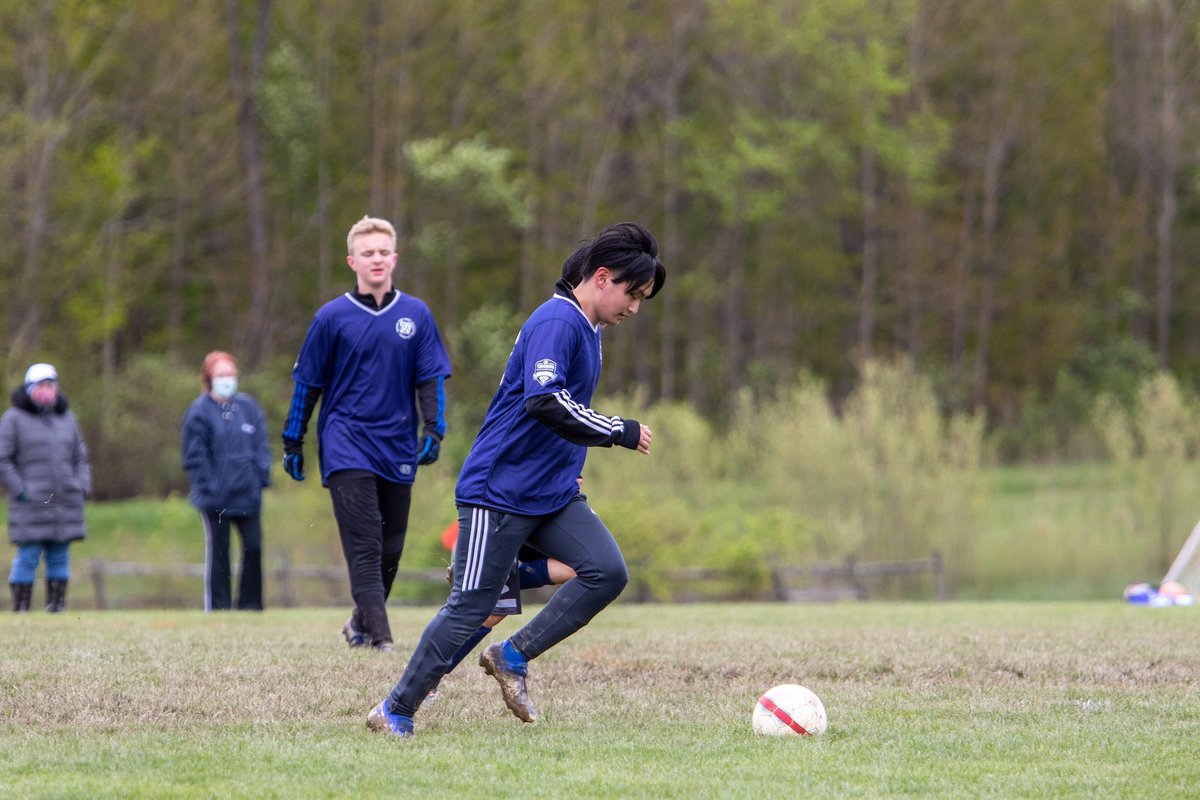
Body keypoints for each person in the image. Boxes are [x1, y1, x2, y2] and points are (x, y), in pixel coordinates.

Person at [367, 221, 666, 737]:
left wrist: (572, 466)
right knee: (473, 606)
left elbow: (563, 412)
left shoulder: (589, 330)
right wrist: (619, 429)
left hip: (551, 493)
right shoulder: (558, 321)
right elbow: (544, 401)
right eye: (632, 294)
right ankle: (394, 709)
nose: (635, 308)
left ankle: (512, 655)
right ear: (601, 277)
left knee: (605, 570)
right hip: (499, 490)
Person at [283, 215, 451, 652]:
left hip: (395, 443)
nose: (375, 259)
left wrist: (434, 427)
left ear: (393, 258)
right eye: (367, 253)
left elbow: (430, 376)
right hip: (345, 442)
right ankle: (382, 639)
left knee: (391, 548)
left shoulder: (416, 315)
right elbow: (308, 384)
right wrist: (293, 439)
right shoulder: (331, 317)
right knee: (366, 542)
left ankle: (359, 621)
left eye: (382, 252)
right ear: (351, 260)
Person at [180, 351, 272, 611]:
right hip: (216, 499)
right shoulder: (199, 412)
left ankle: (250, 606)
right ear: (209, 378)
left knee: (253, 548)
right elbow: (194, 456)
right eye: (221, 375)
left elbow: (262, 447)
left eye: (230, 374)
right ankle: (219, 607)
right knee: (220, 554)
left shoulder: (249, 408)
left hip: (248, 494)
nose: (227, 379)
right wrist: (209, 486)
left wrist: (261, 477)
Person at [0, 363, 92, 613]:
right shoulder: (13, 419)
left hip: (65, 501)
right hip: (30, 503)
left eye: (50, 385)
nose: (47, 391)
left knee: (60, 555)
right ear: (30, 389)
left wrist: (82, 485)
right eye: (41, 386)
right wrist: (20, 490)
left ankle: (57, 608)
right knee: (28, 555)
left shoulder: (67, 418)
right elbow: (3, 459)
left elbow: (80, 457)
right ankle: (21, 609)